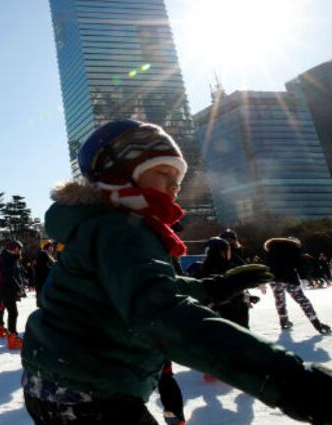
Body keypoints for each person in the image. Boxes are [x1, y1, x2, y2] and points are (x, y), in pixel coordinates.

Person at [22, 119, 332, 424]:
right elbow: (159, 312)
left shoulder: (101, 225)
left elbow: (149, 285)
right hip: (90, 392)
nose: (174, 184)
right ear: (119, 173)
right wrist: (289, 382)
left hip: (60, 381)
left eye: (178, 178)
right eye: (162, 171)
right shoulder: (120, 229)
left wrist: (217, 287)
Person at [264, 237, 331, 334]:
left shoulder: (271, 249)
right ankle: (317, 325)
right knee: (303, 301)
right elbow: (299, 264)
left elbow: (267, 265)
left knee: (280, 300)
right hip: (289, 278)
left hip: (274, 279)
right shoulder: (293, 248)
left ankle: (283, 321)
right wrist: (304, 277)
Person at [0, 240, 26, 350]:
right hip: (7, 290)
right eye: (17, 248)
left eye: (19, 249)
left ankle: (12, 335)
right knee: (13, 312)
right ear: (11, 248)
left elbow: (16, 274)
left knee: (12, 312)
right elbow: (10, 276)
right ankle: (12, 337)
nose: (18, 251)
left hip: (9, 289)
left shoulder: (12, 258)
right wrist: (18, 288)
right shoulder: (8, 259)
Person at [34, 239, 55, 304]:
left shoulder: (46, 256)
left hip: (44, 286)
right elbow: (45, 270)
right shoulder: (43, 255)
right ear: (47, 247)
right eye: (50, 246)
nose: (52, 248)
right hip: (44, 286)